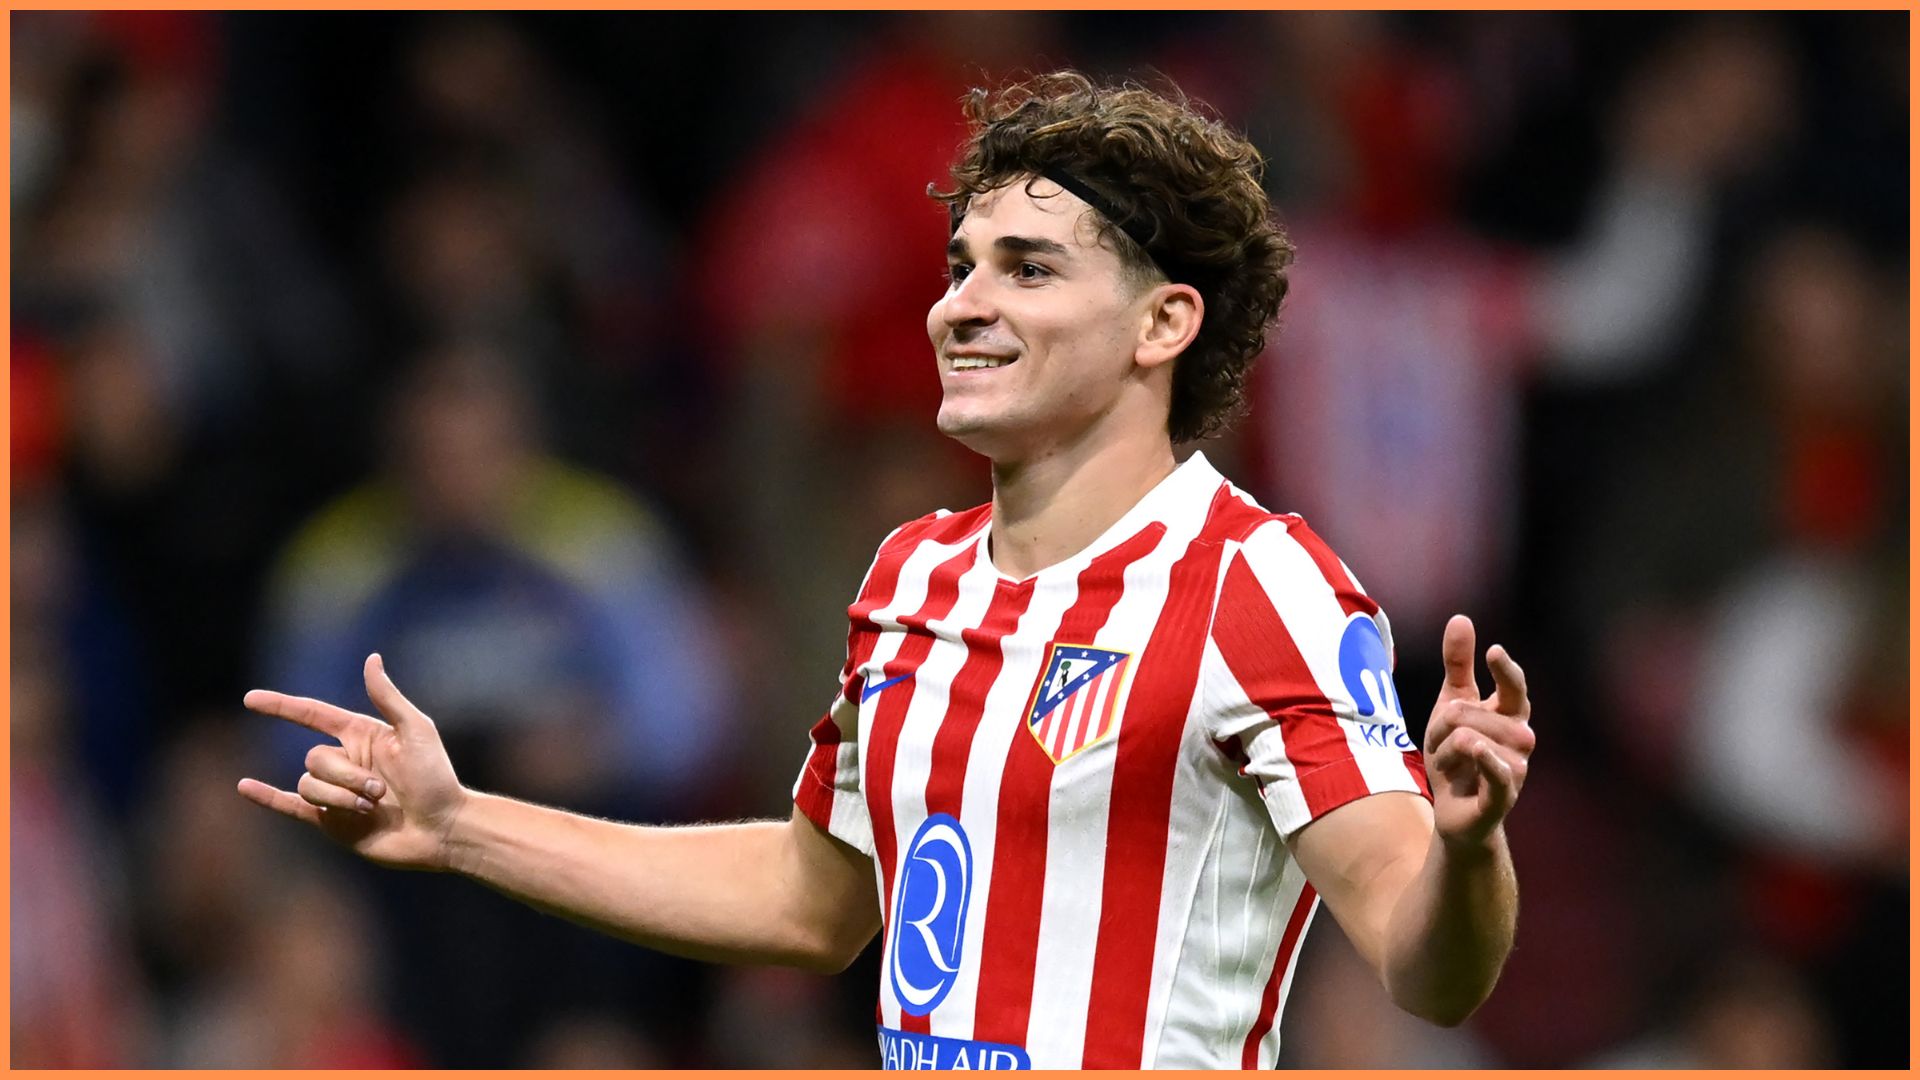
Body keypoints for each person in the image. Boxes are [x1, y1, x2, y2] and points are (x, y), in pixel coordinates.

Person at [239, 71, 1535, 1069]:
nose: (961, 305)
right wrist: (464, 824)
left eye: (1028, 269)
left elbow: (1428, 965)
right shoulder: (912, 577)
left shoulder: (1265, 584)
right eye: (960, 266)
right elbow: (815, 897)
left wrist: (1469, 848)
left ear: (1164, 322)